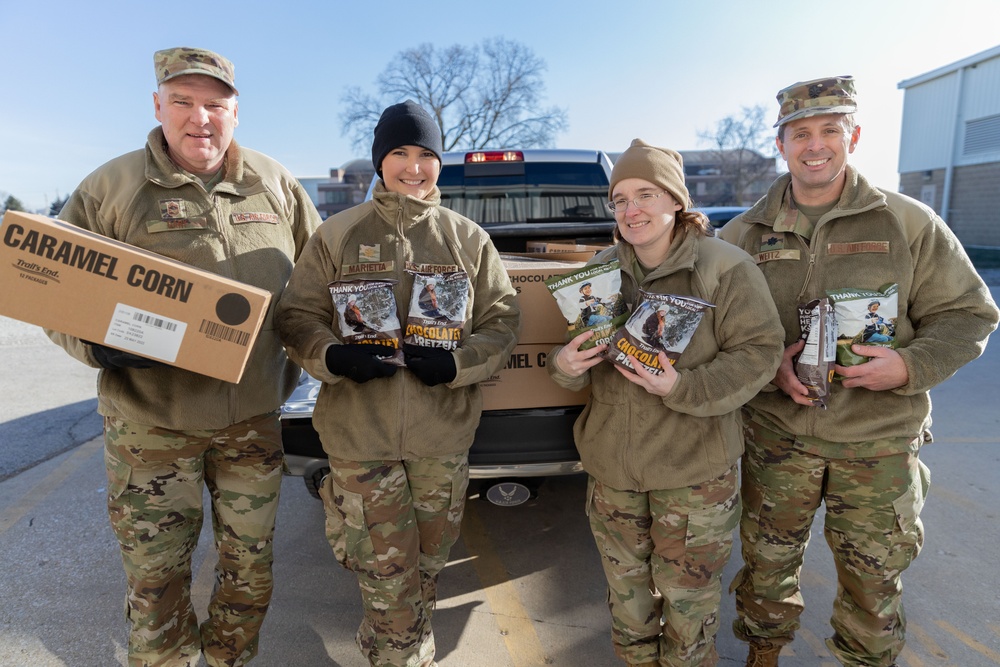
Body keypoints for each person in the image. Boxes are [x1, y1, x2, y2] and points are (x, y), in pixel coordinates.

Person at [46, 47, 321, 666]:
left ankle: (228, 659)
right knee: (156, 576)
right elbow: (53, 294)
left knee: (249, 568)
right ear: (158, 106)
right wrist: (95, 345)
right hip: (152, 428)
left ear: (236, 111)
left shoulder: (276, 184)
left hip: (252, 421)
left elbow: (313, 289)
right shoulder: (111, 188)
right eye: (184, 102)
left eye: (215, 104)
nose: (201, 119)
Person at [718, 76, 999, 667]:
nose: (814, 144)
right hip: (777, 438)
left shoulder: (907, 222)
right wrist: (769, 370)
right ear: (781, 143)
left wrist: (910, 364)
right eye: (800, 133)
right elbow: (719, 332)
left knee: (874, 581)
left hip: (878, 443)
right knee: (766, 565)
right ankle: (763, 654)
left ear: (854, 136)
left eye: (829, 130)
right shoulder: (743, 234)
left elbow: (969, 314)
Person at [275, 99, 519, 667]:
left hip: (441, 439)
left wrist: (457, 365)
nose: (413, 167)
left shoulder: (467, 239)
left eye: (426, 155)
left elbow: (503, 320)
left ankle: (397, 641)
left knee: (429, 563)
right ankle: (400, 656)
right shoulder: (337, 235)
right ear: (381, 160)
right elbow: (296, 316)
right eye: (400, 153)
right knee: (385, 569)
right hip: (362, 438)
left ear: (440, 163)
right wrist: (334, 355)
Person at [549, 139, 784, 666]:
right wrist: (563, 368)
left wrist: (681, 387)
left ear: (676, 200)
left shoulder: (726, 268)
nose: (631, 210)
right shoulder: (601, 273)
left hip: (692, 475)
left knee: (688, 613)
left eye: (646, 194)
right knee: (629, 611)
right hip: (614, 473)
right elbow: (569, 368)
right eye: (620, 199)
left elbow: (760, 354)